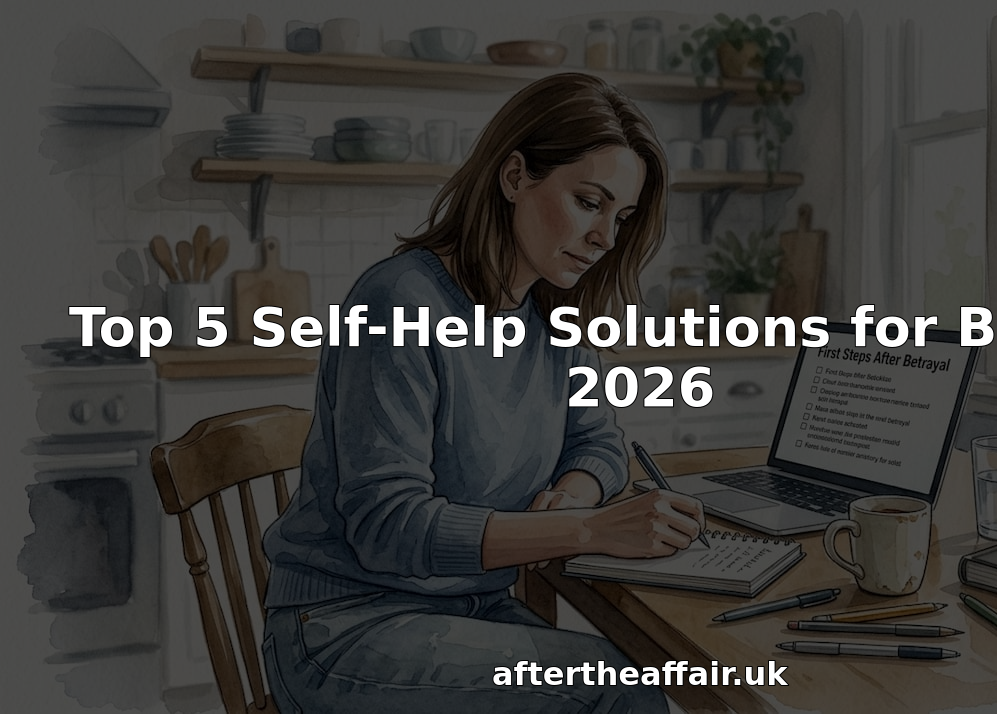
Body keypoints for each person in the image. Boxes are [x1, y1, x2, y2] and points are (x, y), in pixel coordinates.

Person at [260, 73, 703, 714]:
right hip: (343, 629)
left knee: (631, 683)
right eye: (588, 202)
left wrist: (575, 490)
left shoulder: (552, 313)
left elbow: (600, 439)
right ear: (515, 176)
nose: (607, 237)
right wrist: (585, 530)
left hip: (471, 609)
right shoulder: (398, 303)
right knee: (613, 689)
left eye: (622, 216)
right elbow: (389, 527)